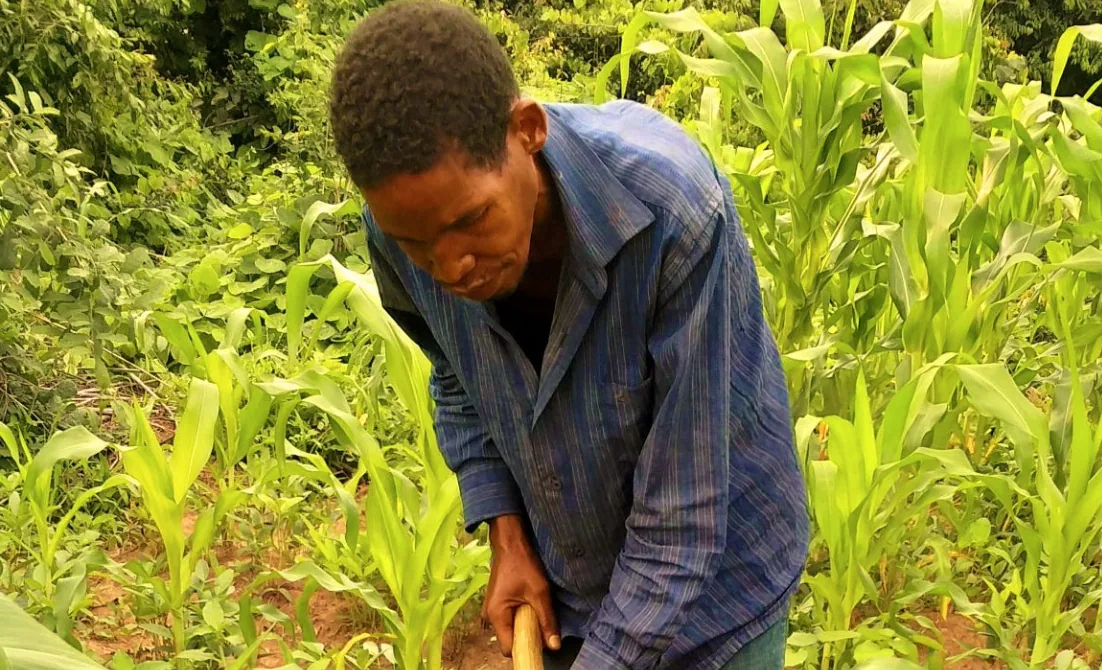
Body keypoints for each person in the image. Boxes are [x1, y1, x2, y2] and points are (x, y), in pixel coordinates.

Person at [328, 2, 808, 668]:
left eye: (472, 221)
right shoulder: (400, 226)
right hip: (569, 596)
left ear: (526, 131)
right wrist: (507, 533)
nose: (450, 267)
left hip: (721, 604)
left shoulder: (674, 214)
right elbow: (460, 379)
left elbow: (683, 518)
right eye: (417, 244)